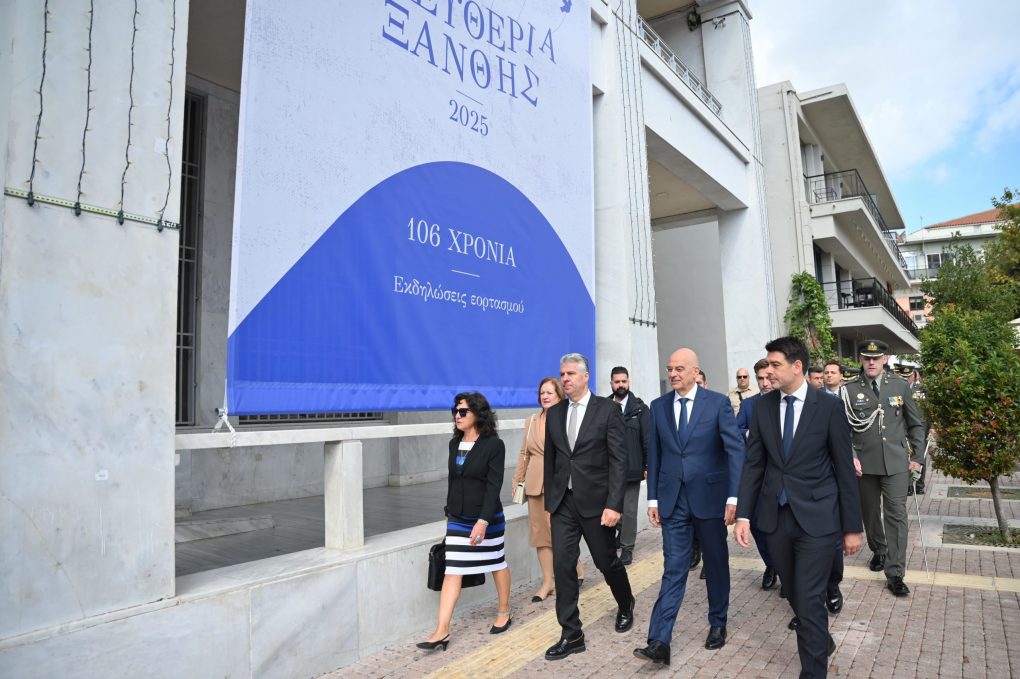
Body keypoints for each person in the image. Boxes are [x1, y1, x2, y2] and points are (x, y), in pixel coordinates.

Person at [735, 336, 863, 679]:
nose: (769, 372)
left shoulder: (828, 407)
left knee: (808, 596)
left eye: (775, 365)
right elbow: (754, 465)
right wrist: (743, 515)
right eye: (767, 365)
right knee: (792, 592)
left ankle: (813, 671)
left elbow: (843, 469)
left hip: (818, 518)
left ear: (797, 366)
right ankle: (821, 638)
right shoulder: (762, 407)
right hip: (775, 518)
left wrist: (852, 527)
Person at [633, 348, 744, 667]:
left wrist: (733, 498)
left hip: (710, 499)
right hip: (673, 501)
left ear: (696, 372)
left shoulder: (717, 404)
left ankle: (718, 622)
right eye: (670, 369)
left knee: (716, 563)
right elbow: (655, 455)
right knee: (673, 567)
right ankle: (659, 640)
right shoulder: (659, 406)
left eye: (680, 368)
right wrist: (653, 499)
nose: (673, 374)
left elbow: (735, 451)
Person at [543, 354, 635, 661]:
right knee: (562, 566)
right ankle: (572, 634)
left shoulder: (607, 410)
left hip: (597, 504)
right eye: (562, 374)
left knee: (606, 562)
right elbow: (552, 461)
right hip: (563, 504)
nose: (565, 379)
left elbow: (619, 461)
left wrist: (614, 505)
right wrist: (551, 503)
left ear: (585, 376)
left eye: (570, 374)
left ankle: (626, 603)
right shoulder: (555, 413)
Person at [417, 392, 512, 651]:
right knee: (453, 569)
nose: (457, 416)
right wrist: (448, 509)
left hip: (487, 518)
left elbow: (494, 486)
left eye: (462, 412)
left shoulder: (494, 445)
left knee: (496, 562)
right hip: (458, 518)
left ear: (478, 414)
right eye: (455, 411)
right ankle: (442, 630)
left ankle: (504, 611)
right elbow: (453, 480)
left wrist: (483, 521)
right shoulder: (454, 443)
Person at [842, 340, 924, 597]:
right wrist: (850, 456)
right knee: (869, 513)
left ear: (885, 359)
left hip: (896, 462)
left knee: (896, 514)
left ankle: (896, 573)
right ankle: (879, 549)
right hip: (864, 464)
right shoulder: (849, 390)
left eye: (876, 358)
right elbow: (842, 430)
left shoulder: (900, 385)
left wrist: (917, 457)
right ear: (860, 359)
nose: (871, 362)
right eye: (866, 358)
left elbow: (915, 423)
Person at [511, 377, 585, 603]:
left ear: (560, 396)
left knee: (561, 533)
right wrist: (518, 478)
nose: (544, 396)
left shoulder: (567, 419)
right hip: (535, 484)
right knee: (540, 536)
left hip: (560, 483)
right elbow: (524, 452)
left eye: (549, 393)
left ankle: (575, 570)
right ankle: (547, 582)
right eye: (542, 393)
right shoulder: (532, 421)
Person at [734, 358, 778, 591]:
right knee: (759, 525)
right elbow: (735, 428)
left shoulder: (786, 402)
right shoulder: (750, 405)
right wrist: (748, 432)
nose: (765, 383)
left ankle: (786, 570)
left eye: (768, 378)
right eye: (760, 379)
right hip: (758, 474)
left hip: (782, 476)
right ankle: (771, 564)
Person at [610, 366, 650, 566]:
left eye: (623, 381)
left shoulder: (640, 408)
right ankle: (621, 531)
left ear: (628, 382)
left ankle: (627, 547)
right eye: (617, 382)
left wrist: (648, 465)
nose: (621, 385)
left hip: (633, 468)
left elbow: (647, 439)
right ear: (611, 383)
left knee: (629, 510)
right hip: (609, 469)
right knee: (610, 507)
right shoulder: (604, 406)